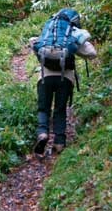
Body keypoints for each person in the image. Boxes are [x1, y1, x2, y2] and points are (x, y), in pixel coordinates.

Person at [29, 8, 97, 156]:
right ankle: (59, 143)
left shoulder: (48, 33)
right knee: (60, 109)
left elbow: (33, 43)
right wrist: (79, 43)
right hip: (64, 78)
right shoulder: (72, 34)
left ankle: (42, 133)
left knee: (43, 108)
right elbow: (92, 53)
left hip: (44, 77)